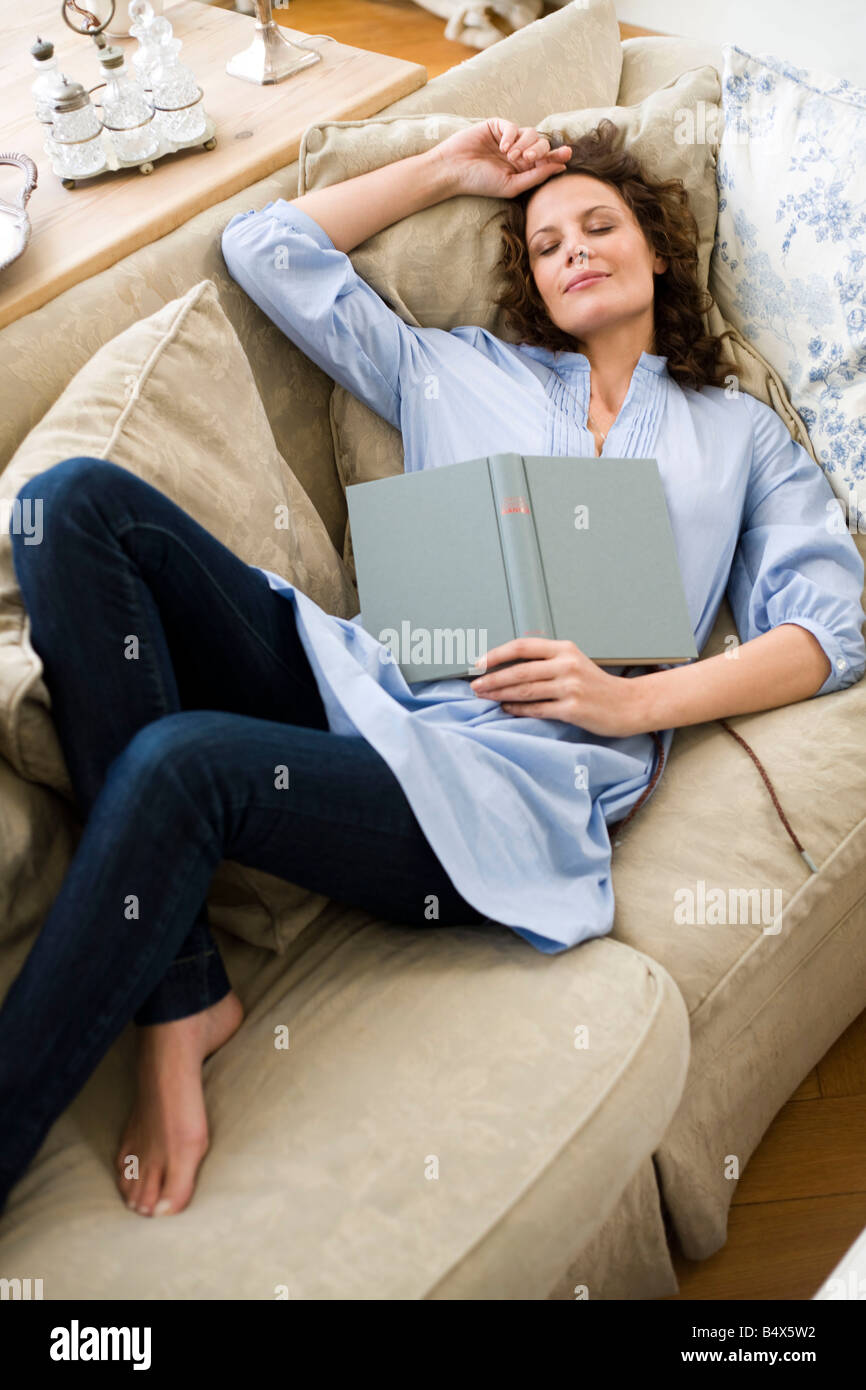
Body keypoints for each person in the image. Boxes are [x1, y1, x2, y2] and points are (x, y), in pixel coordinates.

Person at [1, 118, 863, 1224]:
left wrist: (632, 701)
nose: (573, 252)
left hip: (503, 785)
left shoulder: (736, 434)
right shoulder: (449, 367)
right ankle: (180, 992)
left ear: (656, 251)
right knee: (71, 501)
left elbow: (824, 632)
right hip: (358, 687)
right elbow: (269, 248)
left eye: (599, 227)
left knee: (183, 764)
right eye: (546, 245)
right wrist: (449, 170)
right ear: (531, 285)